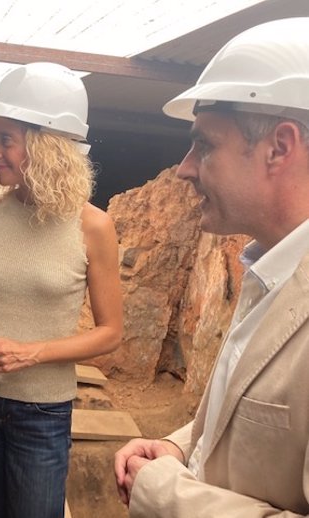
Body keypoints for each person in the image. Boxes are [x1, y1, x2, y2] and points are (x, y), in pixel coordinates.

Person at [113, 17, 309, 517]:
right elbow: (253, 423)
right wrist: (181, 448)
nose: (184, 167)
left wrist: (165, 493)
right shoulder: (271, 269)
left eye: (204, 144)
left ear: (279, 148)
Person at [0, 62, 123, 518]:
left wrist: (33, 353)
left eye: (6, 139)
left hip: (41, 414)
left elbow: (110, 332)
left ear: (47, 147)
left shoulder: (93, 226)